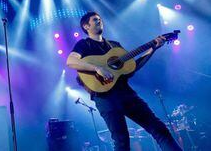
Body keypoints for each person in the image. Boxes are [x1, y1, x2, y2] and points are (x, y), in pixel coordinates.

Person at [66, 11, 182, 151]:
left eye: (100, 19)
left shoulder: (114, 45)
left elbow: (132, 66)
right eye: (95, 20)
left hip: (126, 93)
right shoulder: (84, 45)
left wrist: (153, 49)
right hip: (105, 97)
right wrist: (97, 68)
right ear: (86, 26)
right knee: (121, 141)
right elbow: (71, 61)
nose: (100, 21)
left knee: (159, 129)